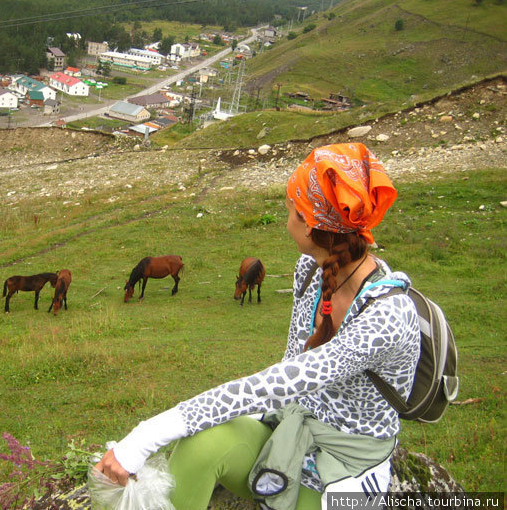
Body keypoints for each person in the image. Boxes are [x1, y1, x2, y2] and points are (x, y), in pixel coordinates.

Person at [95, 143, 421, 510]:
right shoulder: (311, 271)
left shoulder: (387, 315)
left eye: (290, 211)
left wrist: (147, 434)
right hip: (287, 430)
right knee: (200, 444)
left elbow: (283, 380)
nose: (285, 222)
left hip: (343, 472)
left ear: (312, 225)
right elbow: (287, 375)